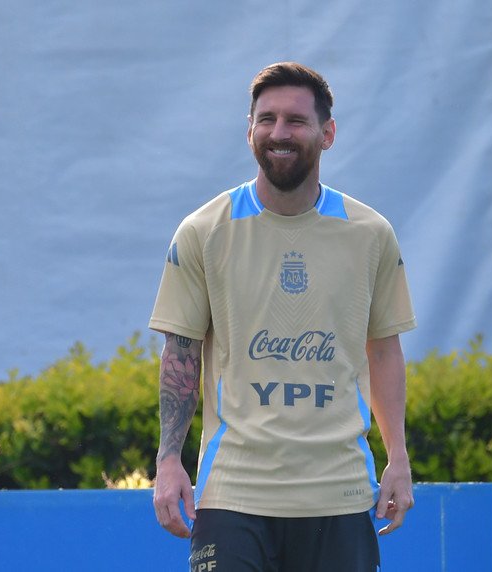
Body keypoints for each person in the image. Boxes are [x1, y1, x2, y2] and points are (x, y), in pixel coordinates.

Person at [150, 61, 417, 571]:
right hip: (233, 495)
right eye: (266, 119)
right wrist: (168, 461)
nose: (279, 133)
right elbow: (180, 354)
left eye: (295, 120)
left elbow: (383, 350)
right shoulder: (204, 230)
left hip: (338, 494)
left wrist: (398, 460)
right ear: (249, 130)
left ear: (328, 133)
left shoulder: (370, 233)